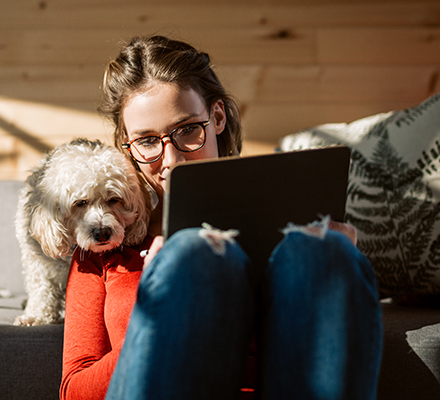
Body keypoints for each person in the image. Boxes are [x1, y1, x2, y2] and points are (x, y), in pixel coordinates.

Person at [60, 35, 382, 400]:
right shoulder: (102, 247)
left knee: (325, 253)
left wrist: (338, 265)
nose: (172, 161)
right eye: (147, 141)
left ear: (216, 117)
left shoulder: (290, 231)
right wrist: (159, 311)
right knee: (195, 256)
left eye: (186, 130)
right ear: (126, 146)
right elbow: (74, 390)